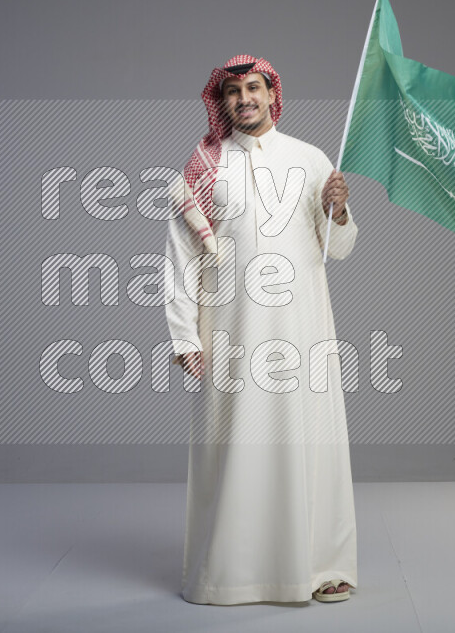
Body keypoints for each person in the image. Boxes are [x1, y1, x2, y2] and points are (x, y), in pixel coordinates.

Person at [164, 54, 359, 605]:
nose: (243, 98)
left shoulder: (311, 157)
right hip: (228, 330)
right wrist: (183, 335)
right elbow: (179, 255)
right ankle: (231, 571)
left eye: (253, 88)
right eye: (232, 91)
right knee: (231, 445)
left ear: (273, 95)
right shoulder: (205, 165)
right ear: (221, 101)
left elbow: (339, 249)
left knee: (309, 440)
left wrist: (338, 213)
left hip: (302, 330)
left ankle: (320, 564)